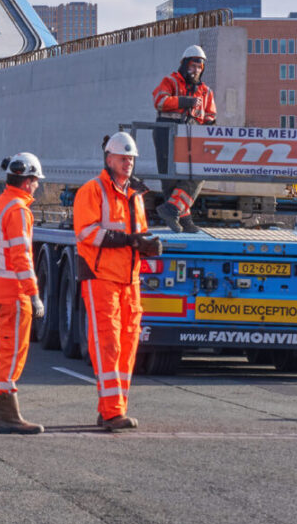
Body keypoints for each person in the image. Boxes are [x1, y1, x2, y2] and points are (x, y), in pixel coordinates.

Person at [73, 132, 163, 431]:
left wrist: (147, 244)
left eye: (131, 159)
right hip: (102, 279)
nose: (128, 163)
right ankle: (112, 413)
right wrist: (129, 240)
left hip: (129, 281)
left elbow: (139, 233)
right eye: (123, 158)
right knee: (108, 344)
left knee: (127, 345)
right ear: (109, 159)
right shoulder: (93, 190)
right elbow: (87, 232)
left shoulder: (136, 195)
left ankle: (113, 409)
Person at [0, 152, 46, 435]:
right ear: (27, 180)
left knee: (5, 350)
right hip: (15, 294)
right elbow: (22, 256)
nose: (37, 186)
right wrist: (34, 294)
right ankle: (8, 416)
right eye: (36, 181)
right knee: (14, 353)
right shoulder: (18, 210)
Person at [150, 44, 218, 231]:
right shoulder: (170, 81)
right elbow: (159, 101)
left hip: (191, 136)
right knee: (170, 179)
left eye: (199, 67)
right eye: (192, 66)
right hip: (167, 133)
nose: (195, 70)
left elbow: (210, 116)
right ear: (184, 64)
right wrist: (184, 102)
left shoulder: (206, 91)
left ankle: (173, 209)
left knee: (197, 174)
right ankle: (182, 219)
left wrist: (210, 125)